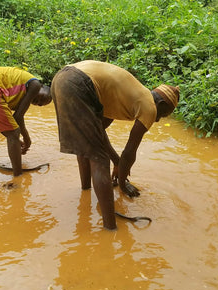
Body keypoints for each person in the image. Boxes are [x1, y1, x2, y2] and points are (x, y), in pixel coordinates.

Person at [51, 60, 179, 230]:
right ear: (161, 105)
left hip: (61, 79)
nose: (158, 119)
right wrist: (123, 181)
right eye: (163, 114)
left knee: (86, 147)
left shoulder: (123, 96)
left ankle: (86, 192)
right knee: (99, 160)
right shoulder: (149, 106)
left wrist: (117, 162)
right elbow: (129, 152)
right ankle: (110, 229)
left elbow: (99, 132)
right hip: (79, 83)